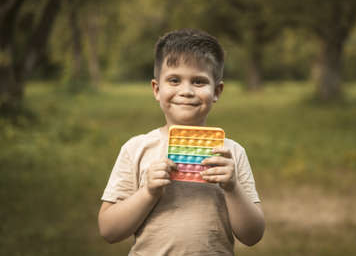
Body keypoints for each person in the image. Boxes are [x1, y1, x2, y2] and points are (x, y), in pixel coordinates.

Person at [98, 29, 265, 255]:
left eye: (198, 81)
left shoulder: (231, 153)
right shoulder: (136, 149)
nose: (186, 91)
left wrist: (233, 187)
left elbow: (252, 235)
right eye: (174, 80)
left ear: (217, 91)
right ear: (157, 89)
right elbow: (109, 230)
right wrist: (148, 192)